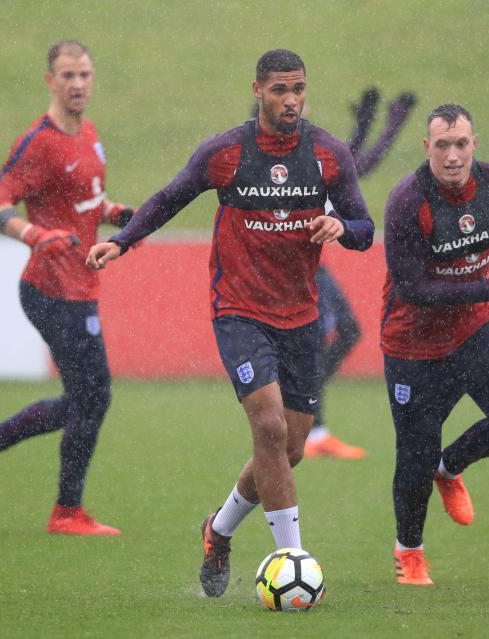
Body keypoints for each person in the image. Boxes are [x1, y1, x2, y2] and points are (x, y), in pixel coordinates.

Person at [85, 49, 374, 597]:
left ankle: (217, 530)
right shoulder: (225, 153)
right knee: (266, 430)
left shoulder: (328, 154)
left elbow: (363, 224)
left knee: (287, 450)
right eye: (280, 90)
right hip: (239, 311)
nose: (291, 100)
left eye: (299, 89)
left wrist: (339, 226)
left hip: (303, 317)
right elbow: (172, 196)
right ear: (257, 91)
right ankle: (290, 557)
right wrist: (122, 242)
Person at [0, 40, 135, 535]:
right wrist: (34, 235)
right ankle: (66, 511)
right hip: (51, 291)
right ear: (49, 81)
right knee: (93, 397)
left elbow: (83, 198)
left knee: (86, 398)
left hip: (79, 287)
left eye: (85, 75)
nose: (77, 84)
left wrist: (113, 213)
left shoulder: (89, 133)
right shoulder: (39, 141)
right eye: (68, 76)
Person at [381, 104, 489, 585]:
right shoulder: (407, 201)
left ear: (475, 144)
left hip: (472, 330)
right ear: (427, 148)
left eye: (462, 144)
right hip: (412, 344)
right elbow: (413, 290)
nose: (453, 155)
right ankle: (410, 553)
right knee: (414, 454)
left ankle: (450, 468)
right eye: (443, 145)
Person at [306, 87, 418, 460]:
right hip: (294, 267)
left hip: (313, 265)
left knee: (345, 332)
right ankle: (312, 428)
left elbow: (349, 165)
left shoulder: (315, 156)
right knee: (316, 342)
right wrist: (384, 125)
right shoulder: (290, 160)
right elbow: (357, 164)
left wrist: (369, 125)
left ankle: (306, 412)